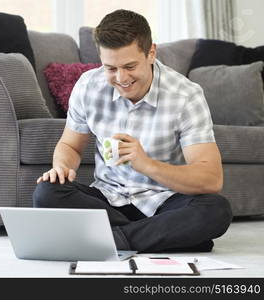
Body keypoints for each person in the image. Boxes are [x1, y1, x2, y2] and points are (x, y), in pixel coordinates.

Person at [33, 9, 232, 253]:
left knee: (216, 210)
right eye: (110, 68)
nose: (121, 78)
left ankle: (113, 240)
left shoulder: (186, 96)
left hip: (164, 201)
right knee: (47, 192)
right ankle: (160, 235)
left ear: (151, 53)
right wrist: (62, 168)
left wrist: (146, 164)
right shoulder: (88, 86)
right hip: (107, 198)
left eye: (129, 66)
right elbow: (70, 146)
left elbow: (211, 179)